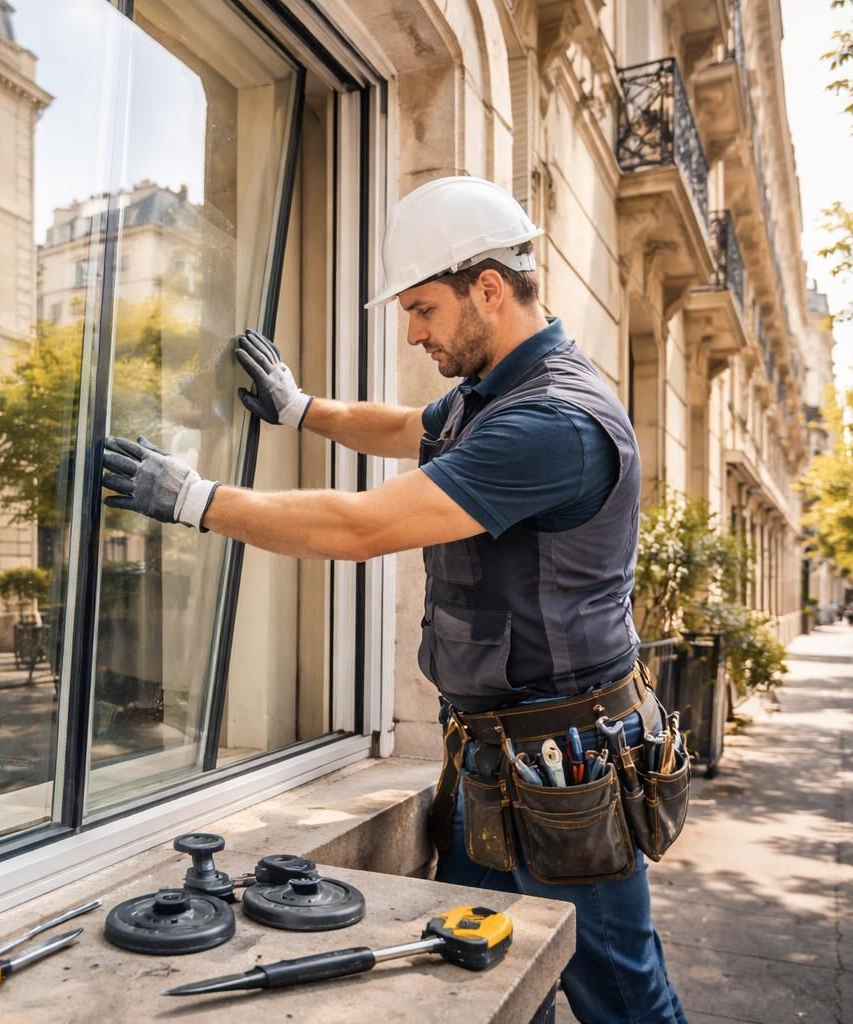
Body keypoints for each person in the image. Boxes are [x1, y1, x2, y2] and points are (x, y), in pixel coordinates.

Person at [100, 176, 686, 1023]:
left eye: (422, 310)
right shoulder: (496, 393)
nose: (413, 333)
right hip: (494, 753)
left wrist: (196, 499)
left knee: (623, 997)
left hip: (565, 769)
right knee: (484, 975)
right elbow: (410, 426)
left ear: (489, 288)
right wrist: (302, 409)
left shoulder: (553, 420)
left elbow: (363, 526)